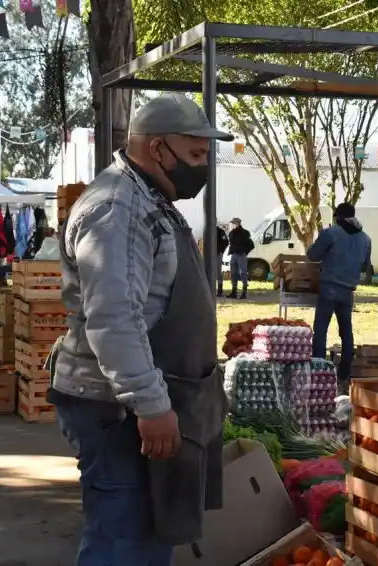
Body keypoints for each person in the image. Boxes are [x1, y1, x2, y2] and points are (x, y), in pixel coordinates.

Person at [48, 94, 233, 566]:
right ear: (157, 149)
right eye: (195, 154)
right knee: (122, 540)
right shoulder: (117, 209)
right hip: (118, 410)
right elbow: (114, 319)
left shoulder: (151, 199)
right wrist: (150, 405)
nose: (203, 165)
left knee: (148, 535)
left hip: (148, 400)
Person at [307, 202, 371, 382]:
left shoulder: (330, 233)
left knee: (320, 330)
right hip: (348, 290)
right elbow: (365, 266)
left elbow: (312, 255)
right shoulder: (365, 239)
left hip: (329, 288)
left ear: (337, 217)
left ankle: (319, 370)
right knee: (346, 331)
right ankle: (345, 371)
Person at [227, 217, 253, 299]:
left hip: (241, 255)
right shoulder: (231, 233)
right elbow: (231, 243)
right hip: (233, 255)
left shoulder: (245, 233)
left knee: (243, 273)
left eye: (233, 223)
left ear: (237, 223)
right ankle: (234, 292)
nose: (232, 225)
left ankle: (244, 292)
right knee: (233, 273)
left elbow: (251, 245)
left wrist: (245, 252)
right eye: (232, 223)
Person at [216, 220, 229, 297]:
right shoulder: (208, 231)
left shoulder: (220, 231)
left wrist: (221, 251)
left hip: (218, 254)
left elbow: (226, 242)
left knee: (218, 271)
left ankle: (220, 290)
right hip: (210, 254)